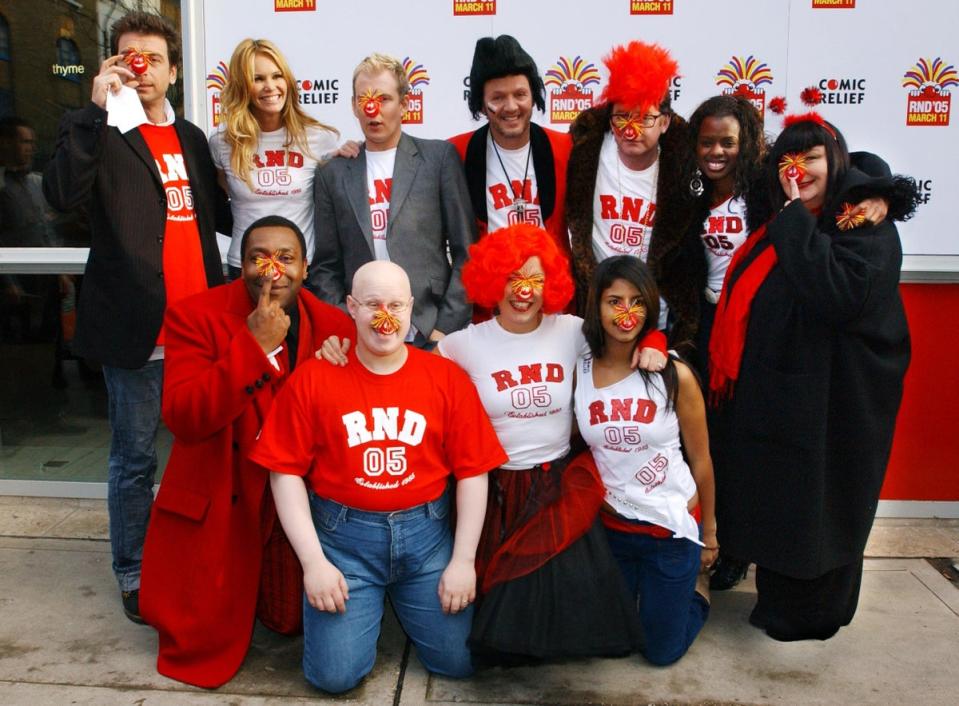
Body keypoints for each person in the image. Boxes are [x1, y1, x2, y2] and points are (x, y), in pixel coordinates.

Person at [42, 10, 230, 622]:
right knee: (135, 460)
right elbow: (60, 196)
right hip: (139, 333)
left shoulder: (193, 139)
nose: (140, 69)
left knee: (202, 454)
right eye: (128, 56)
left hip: (199, 330)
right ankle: (134, 570)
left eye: (152, 58)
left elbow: (224, 217)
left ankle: (193, 553)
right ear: (113, 63)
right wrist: (94, 112)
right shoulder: (96, 129)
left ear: (174, 71)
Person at [707, 113, 919, 641]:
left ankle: (810, 615)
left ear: (838, 161)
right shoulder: (786, 214)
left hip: (834, 405)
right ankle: (763, 586)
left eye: (813, 158)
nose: (798, 169)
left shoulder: (859, 221)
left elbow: (836, 293)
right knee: (779, 505)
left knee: (817, 512)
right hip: (784, 394)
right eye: (789, 160)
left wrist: (797, 215)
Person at [249, 261, 507, 694]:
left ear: (410, 309)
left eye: (395, 305)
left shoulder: (445, 378)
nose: (384, 317)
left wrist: (463, 561)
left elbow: (473, 471)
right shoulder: (315, 377)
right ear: (351, 307)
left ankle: (397, 606)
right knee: (334, 678)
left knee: (461, 662)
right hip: (344, 543)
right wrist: (314, 563)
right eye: (372, 304)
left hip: (427, 541)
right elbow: (284, 472)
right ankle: (364, 612)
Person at [684, 96, 891, 591]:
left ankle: (742, 551)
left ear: (747, 145)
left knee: (751, 450)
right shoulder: (689, 196)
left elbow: (846, 161)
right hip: (711, 327)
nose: (717, 151)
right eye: (707, 142)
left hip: (760, 330)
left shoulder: (771, 186)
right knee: (715, 445)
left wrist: (876, 191)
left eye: (728, 142)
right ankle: (721, 539)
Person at [139, 216, 353, 687]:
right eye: (259, 257)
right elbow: (185, 417)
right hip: (226, 491)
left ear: (306, 267)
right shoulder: (196, 315)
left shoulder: (336, 325)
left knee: (289, 620)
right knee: (211, 623)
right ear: (241, 265)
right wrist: (253, 345)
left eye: (286, 258)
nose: (271, 269)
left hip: (295, 497)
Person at [437, 224, 662, 662]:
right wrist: (339, 348)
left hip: (556, 484)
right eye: (511, 278)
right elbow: (407, 370)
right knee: (497, 615)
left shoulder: (571, 331)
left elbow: (623, 332)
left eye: (535, 281)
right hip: (496, 489)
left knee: (566, 611)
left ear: (551, 285)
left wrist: (655, 340)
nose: (524, 292)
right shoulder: (462, 344)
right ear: (490, 280)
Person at [574, 255, 716, 666]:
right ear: (596, 307)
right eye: (613, 301)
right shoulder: (580, 369)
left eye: (637, 301)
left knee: (659, 652)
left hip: (670, 530)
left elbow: (702, 460)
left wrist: (711, 531)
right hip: (613, 531)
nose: (625, 312)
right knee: (612, 642)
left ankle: (698, 592)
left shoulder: (674, 374)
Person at [309, 53, 476, 348]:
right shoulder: (332, 173)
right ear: (353, 106)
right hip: (361, 335)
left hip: (427, 329)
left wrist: (443, 330)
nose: (373, 110)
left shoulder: (438, 160)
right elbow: (326, 267)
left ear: (404, 104)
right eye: (364, 99)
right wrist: (343, 325)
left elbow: (468, 252)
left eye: (384, 98)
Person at [567, 41, 703, 352]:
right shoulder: (584, 152)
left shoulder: (684, 169)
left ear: (665, 122)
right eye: (622, 118)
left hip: (655, 314)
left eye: (644, 118)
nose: (630, 129)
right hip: (595, 308)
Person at [213, 38, 342, 280]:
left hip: (301, 270)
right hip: (244, 270)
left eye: (277, 76)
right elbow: (219, 195)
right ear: (242, 87)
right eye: (258, 79)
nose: (270, 86)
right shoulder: (223, 142)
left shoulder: (319, 138)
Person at [449, 35, 571, 254]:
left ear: (534, 97)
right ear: (481, 105)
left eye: (520, 94)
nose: (511, 107)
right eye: (497, 98)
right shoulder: (456, 152)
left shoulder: (565, 148)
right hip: (488, 284)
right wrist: (366, 150)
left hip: (553, 283)